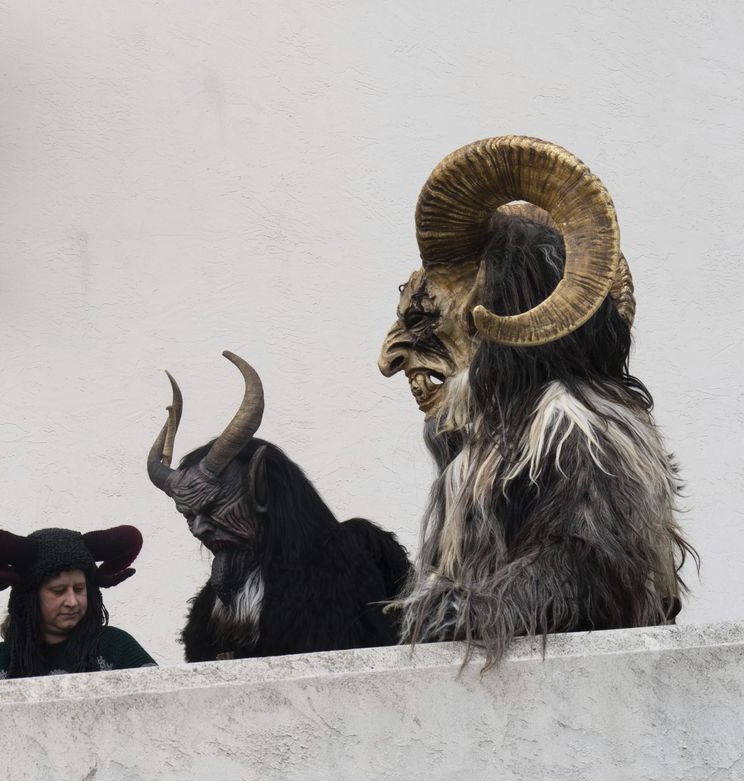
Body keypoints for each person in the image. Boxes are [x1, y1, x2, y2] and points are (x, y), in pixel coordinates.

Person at [379, 136, 690, 664]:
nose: (388, 361)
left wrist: (479, 610)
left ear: (495, 295)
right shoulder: (482, 437)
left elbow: (592, 565)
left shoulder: (579, 425)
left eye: (431, 307)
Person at [145, 352, 408, 661]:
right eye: (189, 516)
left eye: (214, 506)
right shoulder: (219, 591)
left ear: (259, 489)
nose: (199, 529)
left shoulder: (344, 561)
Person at [0, 525, 156, 681]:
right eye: (58, 591)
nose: (72, 601)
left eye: (79, 589)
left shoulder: (116, 647)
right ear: (31, 597)